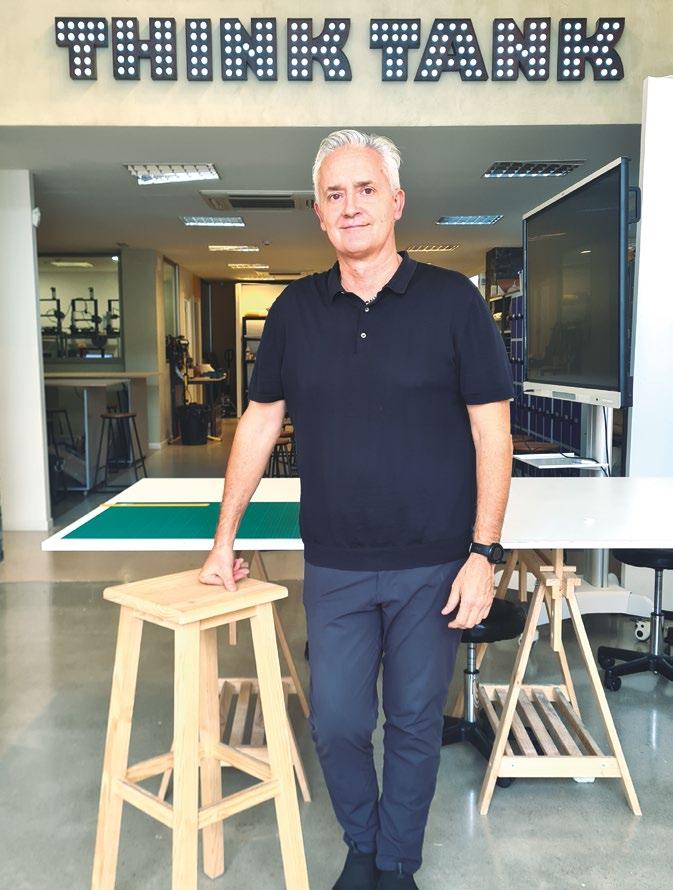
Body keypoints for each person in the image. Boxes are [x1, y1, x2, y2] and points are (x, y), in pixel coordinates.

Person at [200, 129, 514, 889]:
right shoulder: (294, 310)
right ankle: (363, 846)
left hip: (434, 562)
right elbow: (260, 423)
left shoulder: (453, 302)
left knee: (413, 722)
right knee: (337, 722)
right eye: (334, 194)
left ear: (396, 201)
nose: (350, 206)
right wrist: (223, 538)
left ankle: (395, 864)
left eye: (365, 189)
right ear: (317, 212)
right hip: (336, 562)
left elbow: (491, 431)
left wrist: (484, 554)